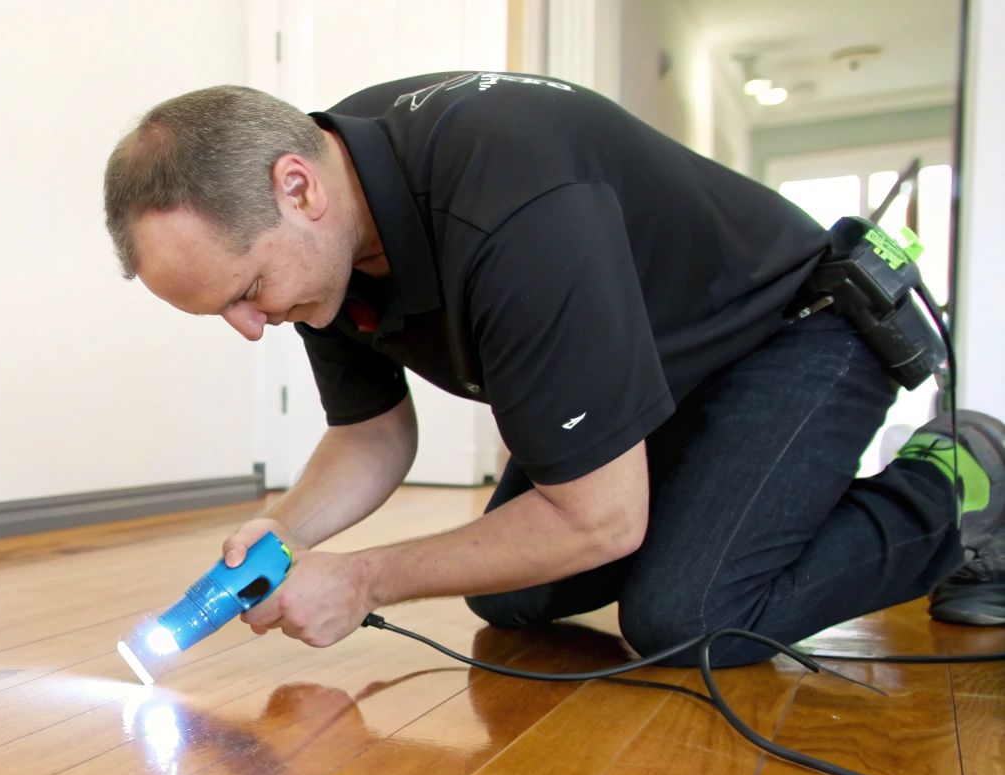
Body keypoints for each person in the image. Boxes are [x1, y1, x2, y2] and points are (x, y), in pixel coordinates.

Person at [101, 71, 1005, 666]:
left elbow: (601, 521)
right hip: (651, 362)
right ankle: (717, 506)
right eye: (224, 309)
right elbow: (371, 433)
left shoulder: (511, 201)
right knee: (518, 595)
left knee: (688, 617)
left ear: (298, 188)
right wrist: (286, 533)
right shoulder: (321, 241)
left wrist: (367, 577)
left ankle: (961, 478)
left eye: (248, 291)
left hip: (792, 329)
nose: (251, 328)